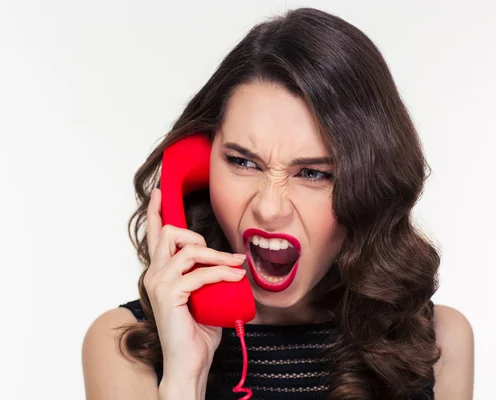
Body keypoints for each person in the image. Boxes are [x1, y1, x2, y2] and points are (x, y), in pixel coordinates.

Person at [82, 7, 474, 400]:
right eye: (243, 162)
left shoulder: (440, 344)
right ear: (200, 165)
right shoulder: (124, 348)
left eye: (313, 172)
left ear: (368, 185)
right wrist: (186, 377)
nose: (269, 209)